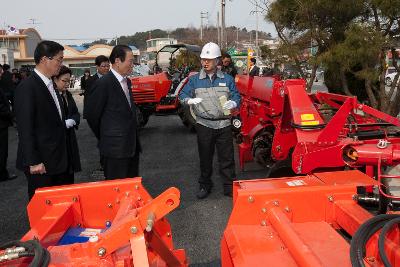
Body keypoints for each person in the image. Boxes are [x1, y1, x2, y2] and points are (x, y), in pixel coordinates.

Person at [178, 42, 241, 199]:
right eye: (203, 59)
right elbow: (182, 95)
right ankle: (205, 185)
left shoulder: (227, 79)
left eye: (209, 59)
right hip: (204, 124)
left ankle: (229, 187)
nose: (205, 62)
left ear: (217, 61)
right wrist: (189, 101)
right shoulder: (194, 80)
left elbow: (236, 96)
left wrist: (233, 102)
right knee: (205, 157)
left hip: (224, 125)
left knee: (226, 158)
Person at [14, 40, 70, 200]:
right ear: (45, 59)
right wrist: (34, 161)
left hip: (56, 159)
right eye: (59, 59)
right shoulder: (28, 88)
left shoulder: (50, 85)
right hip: (41, 164)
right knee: (44, 209)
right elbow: (25, 128)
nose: (61, 63)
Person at [86, 45, 141, 180]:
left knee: (131, 189)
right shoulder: (103, 83)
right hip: (114, 150)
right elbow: (92, 116)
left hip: (131, 147)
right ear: (117, 61)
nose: (133, 64)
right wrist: (107, 136)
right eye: (130, 61)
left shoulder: (126, 82)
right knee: (116, 192)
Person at [53, 65, 82, 184]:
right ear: (55, 79)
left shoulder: (67, 95)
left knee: (69, 174)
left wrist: (73, 121)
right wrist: (61, 124)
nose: (66, 84)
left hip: (69, 138)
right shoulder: (51, 96)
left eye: (68, 81)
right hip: (57, 141)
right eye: (64, 81)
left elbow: (75, 112)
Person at [0, 64, 17, 182]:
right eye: (0, 71)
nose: (1, 74)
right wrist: (11, 113)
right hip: (1, 124)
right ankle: (2, 174)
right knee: (2, 150)